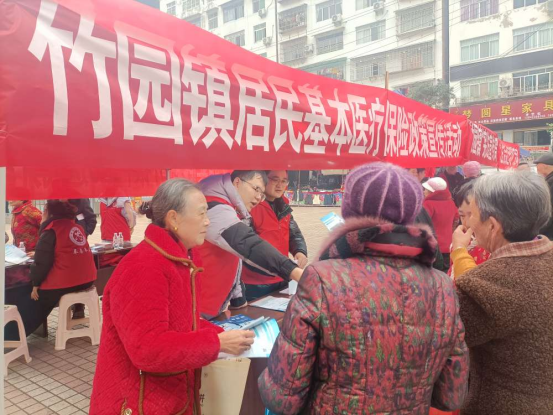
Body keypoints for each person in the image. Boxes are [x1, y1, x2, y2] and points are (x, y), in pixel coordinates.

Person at [259, 162, 469, 414]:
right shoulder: (442, 286)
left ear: (350, 209)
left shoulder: (323, 279)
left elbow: (283, 397)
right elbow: (451, 395)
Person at [90, 179, 254, 414]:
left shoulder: (181, 260)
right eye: (201, 213)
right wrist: (217, 343)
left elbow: (184, 322)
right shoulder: (144, 267)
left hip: (170, 397)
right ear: (174, 218)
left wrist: (222, 335)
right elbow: (148, 349)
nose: (207, 221)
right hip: (135, 402)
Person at [451, 171, 553, 414]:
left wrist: (458, 252)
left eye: (472, 215)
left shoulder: (484, 285)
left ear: (493, 225)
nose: (469, 224)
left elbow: (446, 345)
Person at [196, 171, 303, 318]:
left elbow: (234, 257)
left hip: (214, 304)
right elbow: (247, 244)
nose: (259, 197)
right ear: (237, 182)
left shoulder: (232, 207)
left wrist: (238, 299)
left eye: (262, 194)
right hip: (198, 306)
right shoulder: (214, 206)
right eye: (256, 189)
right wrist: (294, 271)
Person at [5, 200, 96, 340]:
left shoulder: (52, 230)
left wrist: (36, 284)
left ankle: (11, 336)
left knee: (28, 295)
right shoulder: (76, 227)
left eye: (44, 210)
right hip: (88, 279)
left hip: (66, 281)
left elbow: (41, 263)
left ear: (49, 212)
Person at [242, 170, 308, 301]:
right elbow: (247, 247)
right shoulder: (251, 206)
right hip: (256, 283)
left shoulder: (283, 206)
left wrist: (300, 251)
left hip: (283, 277)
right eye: (275, 179)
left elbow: (294, 234)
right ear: (263, 179)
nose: (280, 185)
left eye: (284, 181)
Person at [448, 181, 490, 279]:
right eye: (462, 215)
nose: (467, 223)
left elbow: (472, 284)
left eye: (472, 215)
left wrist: (459, 248)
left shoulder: (494, 247)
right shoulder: (462, 240)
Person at [423, 177, 459, 272]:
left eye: (426, 189)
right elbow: (456, 218)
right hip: (448, 246)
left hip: (433, 247)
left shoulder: (427, 204)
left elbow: (423, 222)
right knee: (446, 273)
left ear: (432, 191)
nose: (424, 191)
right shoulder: (451, 203)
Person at [535, 153, 553, 239]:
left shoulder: (550, 182)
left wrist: (538, 231)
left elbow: (549, 210)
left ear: (544, 166)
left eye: (537, 165)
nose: (536, 169)